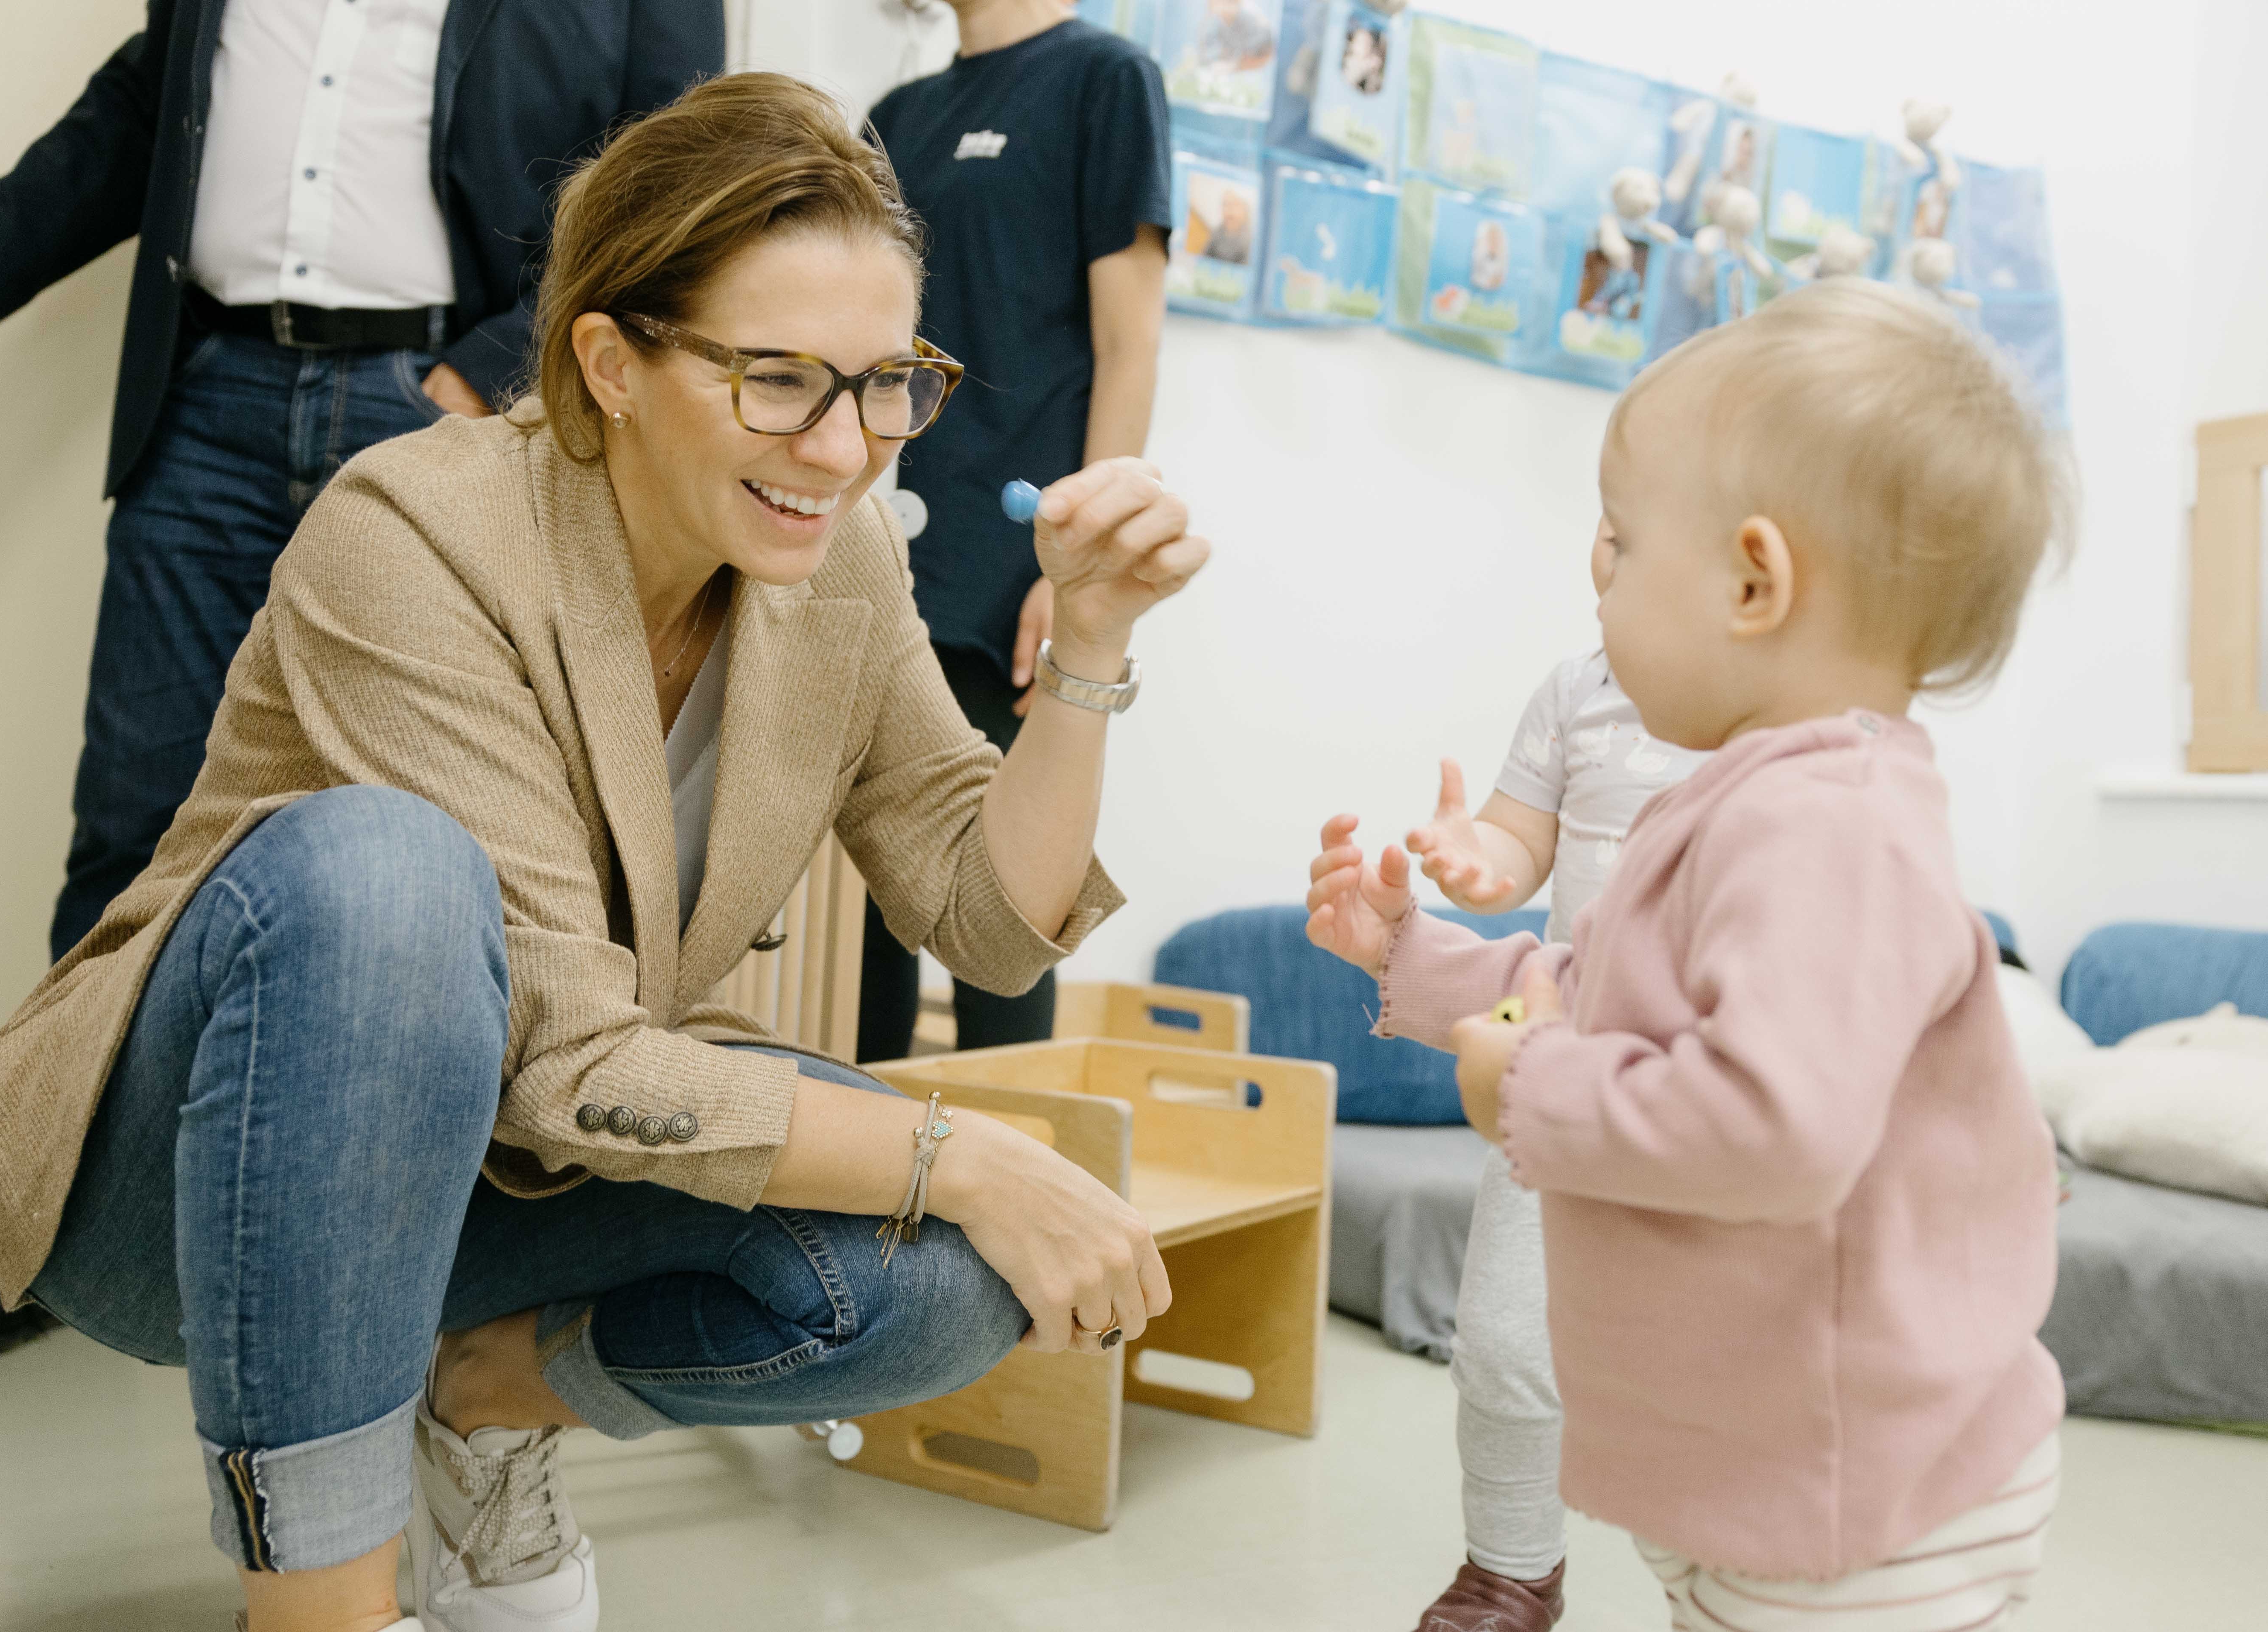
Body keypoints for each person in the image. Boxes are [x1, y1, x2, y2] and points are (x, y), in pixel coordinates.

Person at [0, 73, 1206, 1632]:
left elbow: (988, 922)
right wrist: (970, 1147)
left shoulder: (844, 564)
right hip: (191, 1196)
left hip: (516, 1181)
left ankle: (480, 1399)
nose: (844, 448)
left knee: (947, 1278)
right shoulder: (416, 525)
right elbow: (556, 1048)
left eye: (889, 383)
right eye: (779, 381)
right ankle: (318, 1615)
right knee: (384, 878)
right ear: (609, 360)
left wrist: (1084, 648)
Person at [0, 0, 722, 1357]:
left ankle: (421, 1253)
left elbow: (664, 180)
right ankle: (53, 1240)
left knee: (462, 850)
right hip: (212, 398)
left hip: (441, 404)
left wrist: (480, 375)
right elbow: (143, 107)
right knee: (132, 822)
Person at [1308, 281, 2068, 1631]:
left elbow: (1773, 1126)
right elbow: (1598, 988)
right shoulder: (1749, 798)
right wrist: (1420, 962)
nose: (1594, 575)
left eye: (1619, 541)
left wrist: (1527, 1092)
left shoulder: (1828, 828)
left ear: (1749, 580)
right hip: (1771, 1473)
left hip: (1853, 1501)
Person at [1384, 555, 1708, 1632]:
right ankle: (1511, 1570)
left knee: (1712, 1373)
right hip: (1560, 1070)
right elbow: (1518, 836)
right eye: (1604, 526)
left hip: (1716, 1100)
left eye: (1641, 527)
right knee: (1505, 1344)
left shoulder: (1790, 712)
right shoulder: (1579, 688)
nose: (1607, 554)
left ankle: (1722, 1582)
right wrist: (1476, 859)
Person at [857, 0, 1170, 1061]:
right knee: (868, 902)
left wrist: (1078, 555)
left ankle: (1001, 1212)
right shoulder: (897, 114)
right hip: (880, 540)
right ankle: (856, 1210)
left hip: (1014, 553)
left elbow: (1129, 344)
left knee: (998, 898)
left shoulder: (1104, 80)